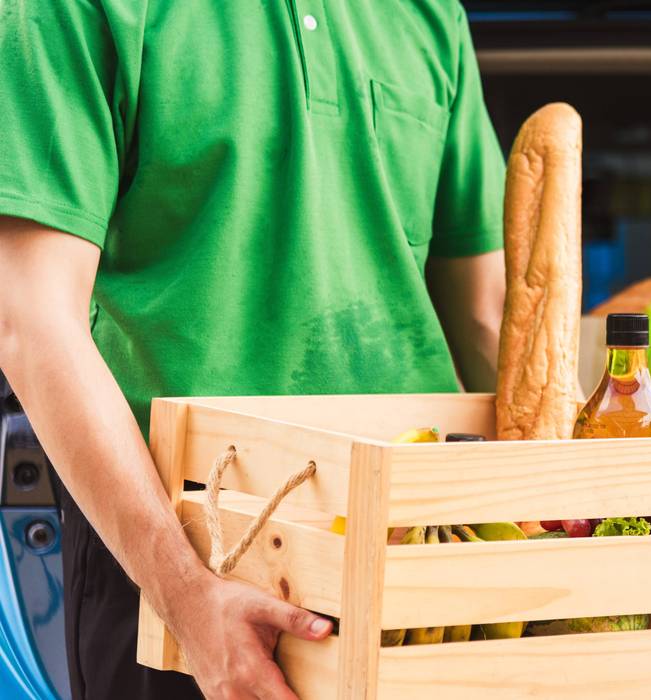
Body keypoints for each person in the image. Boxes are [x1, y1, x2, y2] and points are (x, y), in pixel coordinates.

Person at [0, 2, 506, 698]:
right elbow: (31, 321)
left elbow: (486, 314)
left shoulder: (428, 13)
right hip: (189, 554)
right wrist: (187, 599)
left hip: (414, 547)